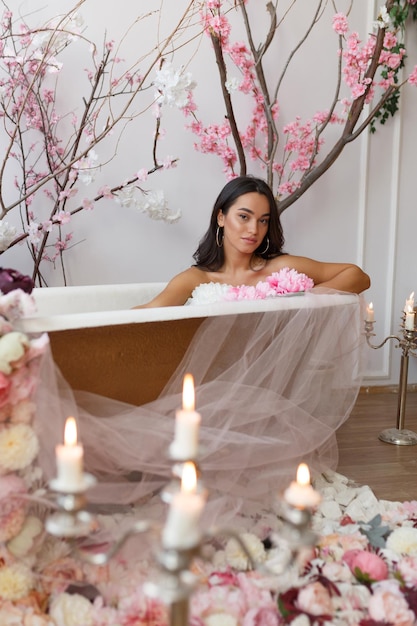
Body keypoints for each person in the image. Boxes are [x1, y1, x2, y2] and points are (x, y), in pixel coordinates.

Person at [136, 175, 370, 308]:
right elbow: (143, 315)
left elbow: (358, 276)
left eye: (263, 221)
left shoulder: (279, 268)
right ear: (221, 217)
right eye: (244, 217)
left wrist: (301, 301)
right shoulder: (196, 279)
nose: (253, 230)